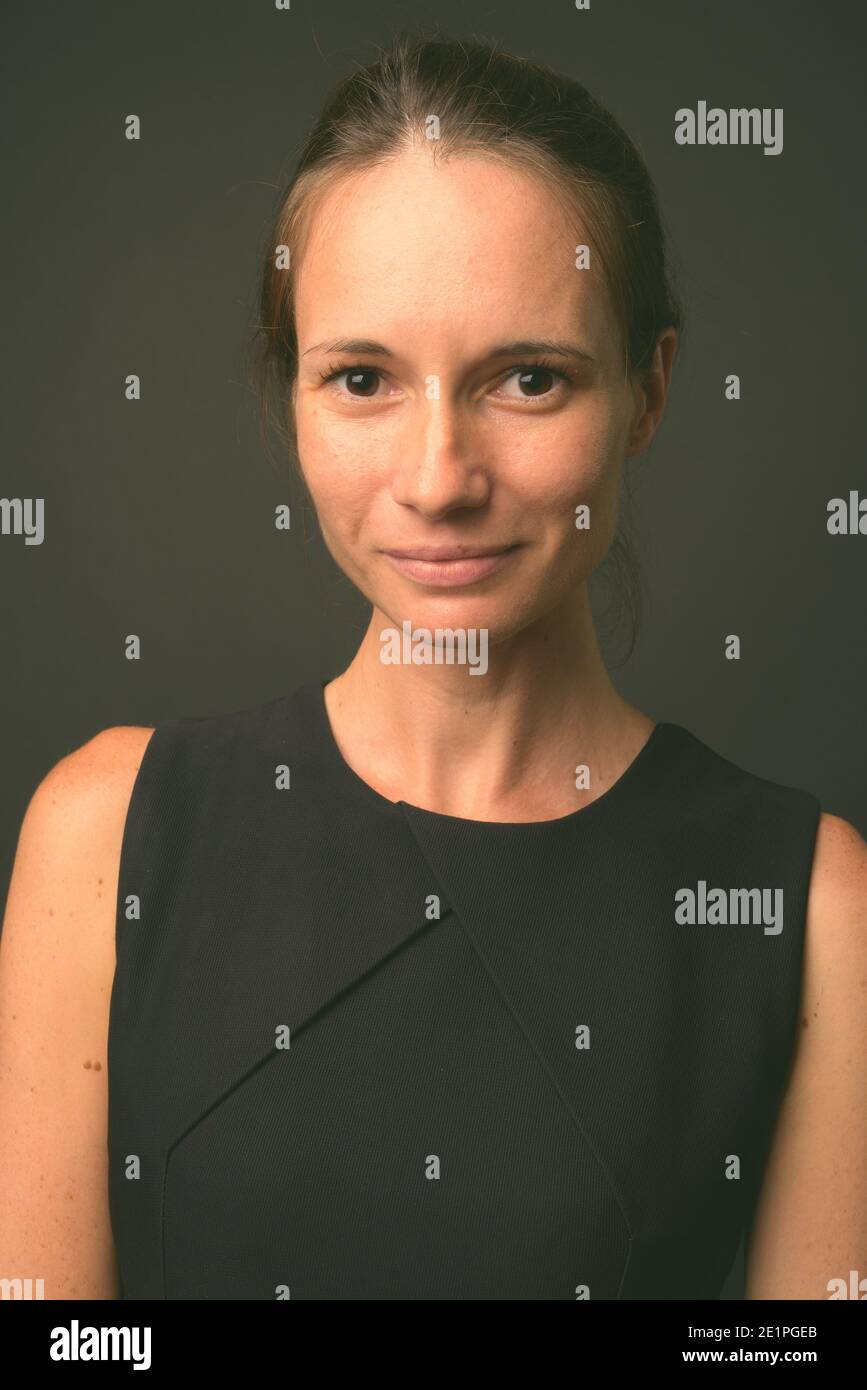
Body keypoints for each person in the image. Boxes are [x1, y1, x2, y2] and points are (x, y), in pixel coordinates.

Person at [1, 34, 865, 1301]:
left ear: (649, 389)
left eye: (528, 378)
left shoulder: (817, 910)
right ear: (289, 393)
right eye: (362, 379)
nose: (437, 479)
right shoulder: (107, 836)